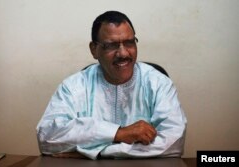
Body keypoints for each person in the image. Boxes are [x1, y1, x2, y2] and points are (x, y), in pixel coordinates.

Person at [36, 11, 187, 160]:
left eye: (129, 43)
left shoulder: (158, 83)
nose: (123, 53)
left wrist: (99, 152)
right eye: (111, 45)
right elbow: (47, 136)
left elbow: (173, 142)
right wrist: (118, 133)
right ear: (94, 49)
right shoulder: (73, 86)